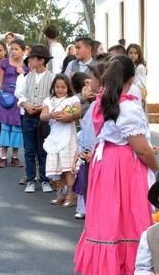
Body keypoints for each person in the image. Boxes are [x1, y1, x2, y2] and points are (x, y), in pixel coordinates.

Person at [73, 55, 158, 275]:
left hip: (106, 160)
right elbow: (141, 149)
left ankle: (109, 267)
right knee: (126, 211)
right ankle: (115, 270)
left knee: (108, 212)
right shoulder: (127, 106)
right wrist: (157, 169)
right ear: (131, 79)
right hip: (122, 163)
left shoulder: (104, 100)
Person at [14, 44, 54, 190]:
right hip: (29, 117)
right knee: (29, 149)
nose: (29, 62)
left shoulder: (52, 77)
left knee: (43, 149)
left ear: (42, 60)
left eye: (32, 58)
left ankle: (44, 179)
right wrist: (25, 104)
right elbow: (20, 94)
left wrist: (45, 105)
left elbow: (54, 96)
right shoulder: (25, 77)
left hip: (44, 118)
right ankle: (30, 179)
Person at [73, 62, 107, 220]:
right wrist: (84, 149)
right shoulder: (95, 104)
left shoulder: (106, 106)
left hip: (100, 155)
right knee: (88, 188)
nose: (88, 81)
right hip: (90, 154)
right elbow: (86, 129)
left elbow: (105, 134)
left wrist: (93, 152)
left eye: (91, 78)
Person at [0, 38, 28, 168]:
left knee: (17, 128)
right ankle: (3, 157)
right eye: (12, 49)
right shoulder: (5, 62)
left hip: (18, 101)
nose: (13, 51)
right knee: (4, 127)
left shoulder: (26, 66)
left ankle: (15, 157)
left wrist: (25, 74)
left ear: (23, 51)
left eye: (16, 49)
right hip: (4, 99)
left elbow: (30, 84)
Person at [41, 74, 81, 204]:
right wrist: (51, 115)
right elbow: (42, 116)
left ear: (68, 87)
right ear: (53, 87)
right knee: (54, 166)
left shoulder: (72, 99)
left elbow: (78, 113)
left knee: (68, 167)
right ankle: (61, 192)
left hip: (68, 136)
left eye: (63, 87)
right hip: (54, 136)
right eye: (57, 87)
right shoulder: (48, 100)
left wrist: (67, 116)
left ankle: (71, 193)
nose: (60, 90)